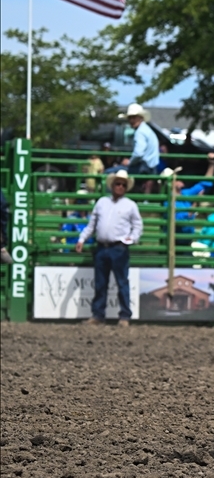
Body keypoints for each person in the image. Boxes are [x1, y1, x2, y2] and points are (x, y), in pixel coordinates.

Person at [76, 169, 143, 326]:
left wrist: (132, 238)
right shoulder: (101, 203)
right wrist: (82, 239)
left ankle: (124, 315)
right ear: (112, 185)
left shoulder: (130, 205)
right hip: (102, 247)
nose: (120, 187)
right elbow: (92, 224)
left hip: (118, 247)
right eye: (117, 184)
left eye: (123, 185)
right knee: (100, 283)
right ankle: (98, 314)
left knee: (121, 283)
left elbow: (138, 225)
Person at [122, 103, 160, 192]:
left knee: (112, 173)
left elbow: (139, 153)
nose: (131, 120)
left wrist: (129, 162)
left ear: (140, 118)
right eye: (130, 118)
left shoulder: (140, 132)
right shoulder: (147, 130)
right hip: (151, 168)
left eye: (134, 117)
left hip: (143, 168)